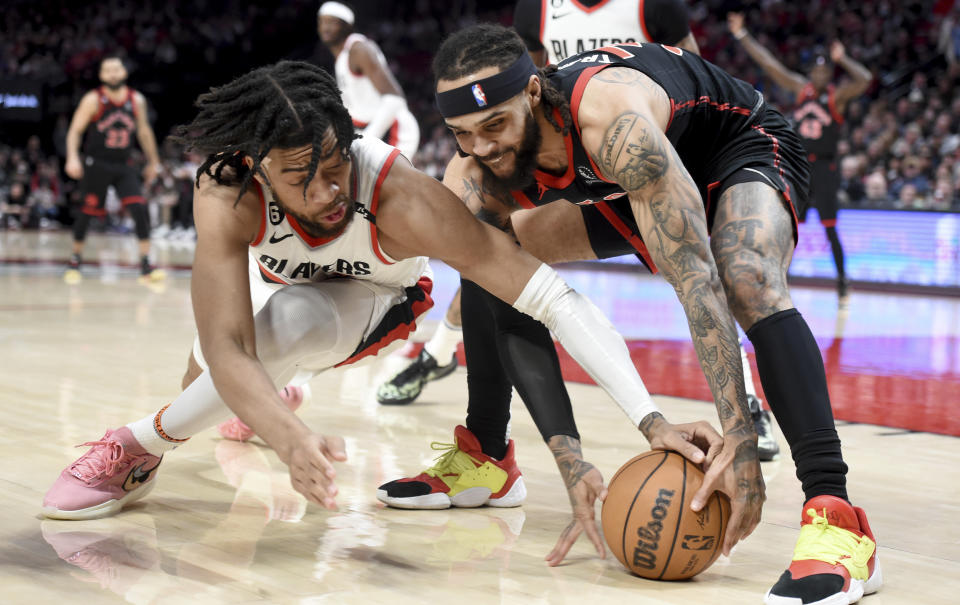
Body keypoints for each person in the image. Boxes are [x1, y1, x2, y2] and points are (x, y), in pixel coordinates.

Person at [41, 62, 716, 535]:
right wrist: (285, 431)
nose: (328, 189)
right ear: (255, 164)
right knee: (210, 370)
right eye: (301, 177)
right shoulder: (224, 189)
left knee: (288, 327)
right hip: (276, 278)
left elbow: (551, 296)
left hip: (368, 300)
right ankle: (265, 405)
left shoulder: (398, 193)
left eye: (335, 164)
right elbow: (225, 346)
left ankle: (134, 448)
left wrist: (649, 416)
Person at [402, 24, 879, 604]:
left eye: (495, 125)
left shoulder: (613, 119)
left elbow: (696, 283)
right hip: (620, 188)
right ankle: (487, 452)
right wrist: (571, 458)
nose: (481, 148)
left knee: (744, 273)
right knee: (490, 254)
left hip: (731, 148)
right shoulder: (476, 173)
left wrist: (740, 434)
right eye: (461, 134)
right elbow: (512, 293)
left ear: (532, 95)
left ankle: (835, 516)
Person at [373, 2, 794, 463]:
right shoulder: (535, 12)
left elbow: (692, 67)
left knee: (718, 277)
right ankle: (445, 359)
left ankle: (748, 409)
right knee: (492, 251)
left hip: (660, 147)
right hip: (579, 157)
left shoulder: (653, 6)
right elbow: (521, 84)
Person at [728, 12, 872, 301]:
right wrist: (742, 35)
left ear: (830, 74)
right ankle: (781, 279)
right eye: (817, 70)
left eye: (826, 71)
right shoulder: (799, 88)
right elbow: (769, 63)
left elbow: (866, 78)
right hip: (801, 169)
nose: (820, 75)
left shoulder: (836, 97)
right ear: (811, 72)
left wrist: (843, 58)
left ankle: (843, 281)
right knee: (791, 229)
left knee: (831, 230)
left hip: (827, 170)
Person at [63, 55, 164, 284]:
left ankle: (146, 266)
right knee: (86, 213)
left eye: (116, 69)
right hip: (96, 164)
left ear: (124, 73)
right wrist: (72, 157)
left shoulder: (136, 99)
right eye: (107, 70)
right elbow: (75, 130)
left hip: (124, 164)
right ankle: (75, 260)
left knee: (138, 208)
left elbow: (144, 132)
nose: (112, 74)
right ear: (101, 76)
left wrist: (153, 161)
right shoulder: (93, 99)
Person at [317, 1, 420, 159]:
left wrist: (367, 139)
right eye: (323, 22)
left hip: (393, 130)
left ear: (347, 26)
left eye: (332, 22)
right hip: (370, 132)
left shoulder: (359, 50)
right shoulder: (342, 57)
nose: (326, 27)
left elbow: (395, 98)